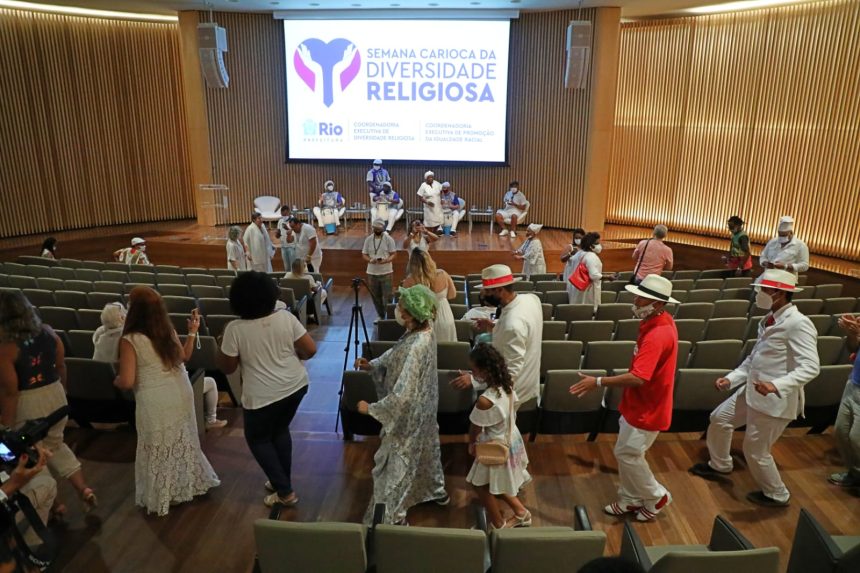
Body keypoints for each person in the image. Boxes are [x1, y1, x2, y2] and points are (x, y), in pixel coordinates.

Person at [689, 269, 820, 507]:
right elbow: (755, 360)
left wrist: (775, 385)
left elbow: (811, 367)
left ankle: (777, 494)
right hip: (751, 390)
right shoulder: (770, 319)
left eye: (763, 290)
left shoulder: (798, 324)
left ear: (779, 294)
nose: (758, 294)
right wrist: (731, 378)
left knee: (756, 451)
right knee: (719, 419)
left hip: (773, 401)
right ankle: (720, 464)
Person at [570, 274, 679, 522]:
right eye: (639, 295)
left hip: (648, 406)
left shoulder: (657, 334)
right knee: (626, 452)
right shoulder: (659, 321)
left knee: (629, 454)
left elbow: (639, 377)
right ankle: (630, 498)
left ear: (659, 304)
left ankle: (656, 495)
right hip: (639, 402)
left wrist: (598, 381)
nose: (636, 300)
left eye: (643, 298)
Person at [114, 288, 220, 516]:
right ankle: (187, 484)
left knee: (158, 445)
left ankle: (166, 494)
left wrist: (115, 379)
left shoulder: (130, 340)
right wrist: (192, 332)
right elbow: (184, 357)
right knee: (182, 439)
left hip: (155, 398)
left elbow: (127, 380)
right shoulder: (165, 330)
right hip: (180, 391)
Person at [216, 272, 316, 507]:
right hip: (295, 386)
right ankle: (280, 480)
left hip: (261, 395)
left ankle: (285, 492)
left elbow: (227, 367)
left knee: (258, 439)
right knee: (280, 430)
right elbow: (310, 351)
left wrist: (221, 343)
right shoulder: (285, 317)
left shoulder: (234, 329)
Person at [353, 285, 448, 525]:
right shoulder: (421, 331)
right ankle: (434, 489)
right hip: (424, 407)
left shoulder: (417, 345)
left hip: (409, 414)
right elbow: (396, 353)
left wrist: (371, 409)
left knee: (397, 463)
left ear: (414, 313)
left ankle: (392, 516)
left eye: (403, 309)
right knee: (424, 449)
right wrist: (372, 364)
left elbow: (402, 394)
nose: (399, 312)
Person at [0, 292, 97, 516]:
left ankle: (53, 504)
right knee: (55, 444)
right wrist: (63, 393)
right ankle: (83, 488)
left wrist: (6, 423)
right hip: (55, 394)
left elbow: (10, 391)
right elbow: (61, 366)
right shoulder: (48, 332)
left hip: (28, 403)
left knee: (30, 455)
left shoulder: (6, 348)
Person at [97, 301, 225, 429]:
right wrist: (192, 332)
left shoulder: (101, 338)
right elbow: (184, 357)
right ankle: (211, 419)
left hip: (122, 397)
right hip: (161, 391)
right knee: (211, 382)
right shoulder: (154, 336)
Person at [452, 265, 543, 405]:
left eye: (487, 291)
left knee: (502, 427)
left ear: (500, 290)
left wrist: (475, 380)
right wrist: (494, 327)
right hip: (531, 380)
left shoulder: (512, 324)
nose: (483, 294)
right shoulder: (532, 299)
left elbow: (511, 369)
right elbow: (522, 334)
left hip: (514, 391)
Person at [466, 344, 532, 530]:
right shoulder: (507, 384)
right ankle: (521, 513)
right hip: (511, 439)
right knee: (497, 482)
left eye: (473, 369)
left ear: (484, 371)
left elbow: (475, 427)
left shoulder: (486, 400)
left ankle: (498, 525)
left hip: (495, 445)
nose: (472, 373)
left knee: (480, 485)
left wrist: (471, 444)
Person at [830, 313, 860, 487]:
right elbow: (853, 348)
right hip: (853, 384)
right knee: (841, 432)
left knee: (857, 439)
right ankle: (854, 473)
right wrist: (852, 334)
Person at [401, 249, 456, 343]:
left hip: (422, 322)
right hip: (445, 318)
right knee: (447, 351)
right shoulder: (443, 274)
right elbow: (452, 295)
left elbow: (405, 307)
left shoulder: (409, 281)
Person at [362, 220, 397, 319]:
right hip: (372, 272)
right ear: (373, 228)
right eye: (375, 229)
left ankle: (388, 317)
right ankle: (380, 315)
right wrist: (370, 260)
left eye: (379, 229)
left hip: (386, 272)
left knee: (388, 297)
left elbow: (394, 254)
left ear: (383, 229)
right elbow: (364, 254)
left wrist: (386, 260)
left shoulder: (389, 239)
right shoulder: (368, 239)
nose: (377, 230)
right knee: (375, 296)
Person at [566, 232, 604, 309]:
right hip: (588, 291)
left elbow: (570, 261)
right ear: (591, 246)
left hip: (577, 287)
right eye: (597, 243)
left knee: (576, 310)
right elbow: (594, 275)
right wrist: (608, 277)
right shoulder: (591, 257)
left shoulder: (580, 253)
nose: (599, 246)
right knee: (586, 312)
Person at [275, 205, 296, 273]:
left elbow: (296, 231)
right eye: (282, 215)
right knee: (286, 268)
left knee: (293, 267)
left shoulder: (294, 220)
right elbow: (277, 236)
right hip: (283, 247)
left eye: (285, 215)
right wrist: (277, 233)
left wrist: (287, 228)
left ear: (288, 212)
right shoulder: (280, 221)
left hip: (292, 247)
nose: (284, 217)